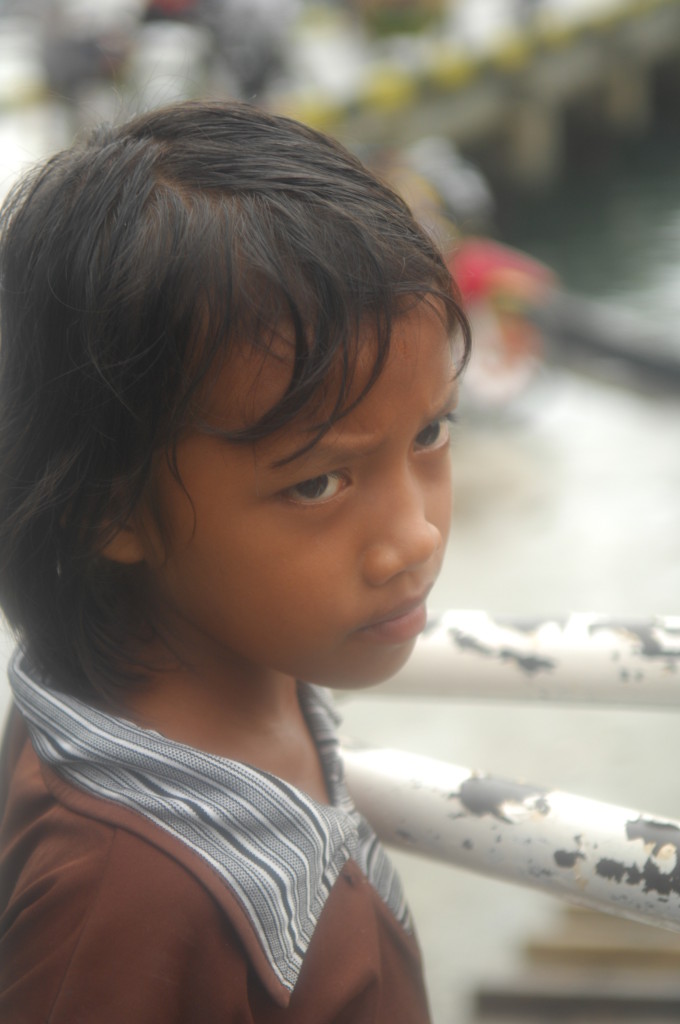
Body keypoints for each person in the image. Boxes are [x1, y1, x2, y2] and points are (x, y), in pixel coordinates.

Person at [0, 100, 470, 1022]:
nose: (416, 537)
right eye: (318, 484)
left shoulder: (251, 670)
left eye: (431, 432)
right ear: (107, 508)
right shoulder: (119, 906)